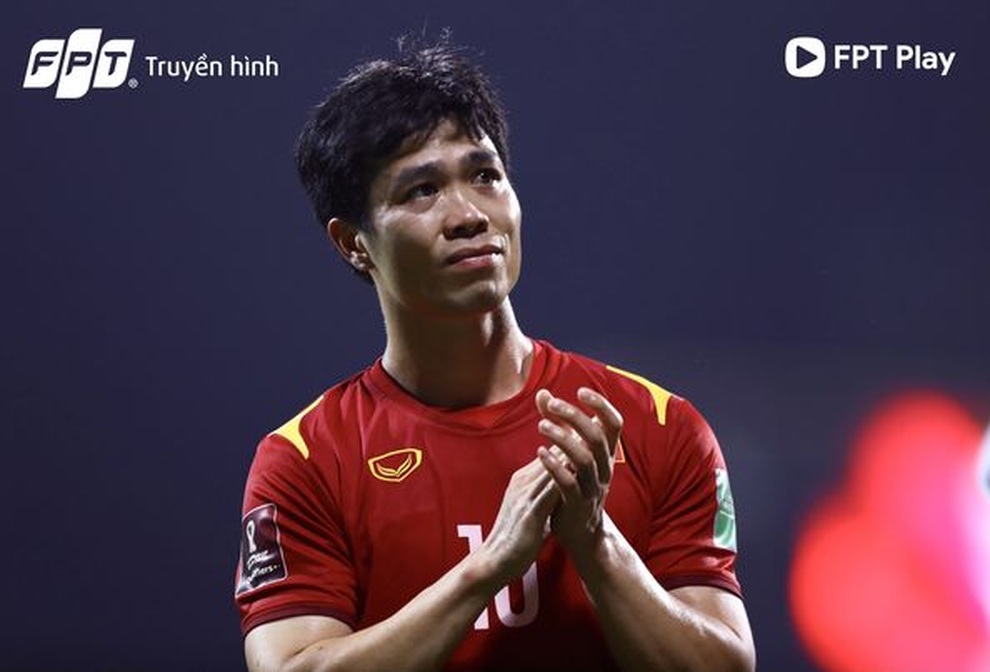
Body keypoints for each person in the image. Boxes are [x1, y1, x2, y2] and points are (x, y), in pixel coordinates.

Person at [234, 39, 755, 672]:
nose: (469, 215)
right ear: (353, 243)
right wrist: (487, 567)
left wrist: (594, 541)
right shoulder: (306, 460)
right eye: (421, 190)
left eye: (485, 176)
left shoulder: (656, 425)